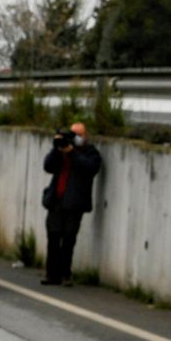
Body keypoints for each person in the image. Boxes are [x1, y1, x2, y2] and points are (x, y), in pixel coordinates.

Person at [41, 121, 103, 286]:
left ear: (85, 136)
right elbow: (48, 166)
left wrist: (72, 152)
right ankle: (51, 275)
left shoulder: (91, 153)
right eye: (73, 134)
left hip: (75, 204)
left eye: (79, 134)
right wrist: (57, 148)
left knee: (69, 240)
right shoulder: (61, 151)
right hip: (56, 200)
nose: (75, 137)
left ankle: (65, 274)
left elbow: (90, 168)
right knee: (53, 238)